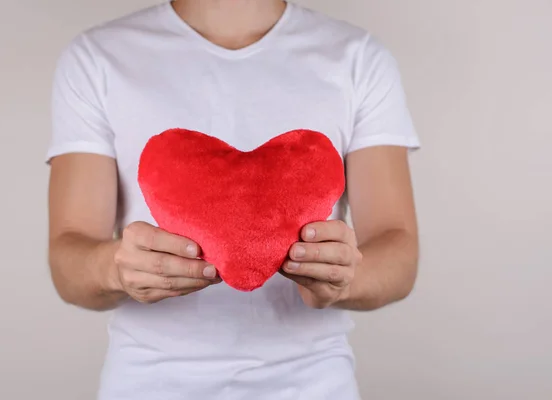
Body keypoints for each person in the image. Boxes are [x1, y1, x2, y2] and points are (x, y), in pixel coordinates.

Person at [46, 0, 420, 399]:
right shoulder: (98, 57)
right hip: (149, 383)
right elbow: (69, 258)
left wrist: (343, 279)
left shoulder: (358, 58)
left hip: (312, 384)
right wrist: (116, 269)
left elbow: (397, 248)